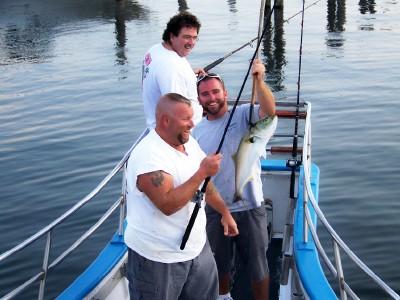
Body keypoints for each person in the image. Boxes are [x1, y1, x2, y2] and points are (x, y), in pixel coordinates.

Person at [124, 93, 239, 300]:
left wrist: (224, 212)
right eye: (185, 119)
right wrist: (202, 172)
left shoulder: (188, 143)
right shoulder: (149, 157)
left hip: (197, 248)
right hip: (157, 258)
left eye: (192, 117)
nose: (192, 124)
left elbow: (206, 186)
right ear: (165, 120)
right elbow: (167, 204)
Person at [192, 59, 276, 300]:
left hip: (250, 207)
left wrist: (259, 80)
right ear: (199, 100)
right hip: (215, 210)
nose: (211, 97)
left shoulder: (244, 115)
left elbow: (269, 112)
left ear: (226, 93)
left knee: (259, 267)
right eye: (205, 94)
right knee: (219, 266)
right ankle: (223, 297)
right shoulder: (197, 132)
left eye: (216, 91)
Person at [141, 11, 204, 129]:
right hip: (181, 134)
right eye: (186, 37)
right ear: (172, 36)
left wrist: (189, 74)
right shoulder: (172, 68)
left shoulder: (154, 50)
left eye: (195, 38)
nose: (192, 43)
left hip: (154, 126)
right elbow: (178, 113)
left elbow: (161, 76)